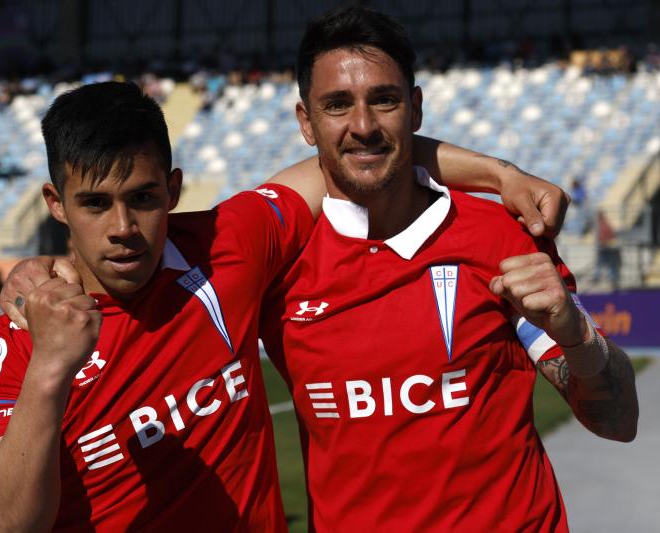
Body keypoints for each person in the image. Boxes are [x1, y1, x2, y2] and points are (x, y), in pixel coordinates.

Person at [0, 83, 570, 532]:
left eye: (142, 198)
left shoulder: (227, 246)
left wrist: (500, 175)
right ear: (55, 204)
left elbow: (349, 158)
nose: (122, 228)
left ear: (174, 190)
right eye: (94, 203)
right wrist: (50, 368)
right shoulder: (14, 340)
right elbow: (8, 526)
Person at [258, 6, 637, 531]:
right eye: (337, 104)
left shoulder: (500, 237)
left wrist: (577, 335)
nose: (363, 125)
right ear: (307, 122)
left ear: (415, 109)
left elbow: (618, 420)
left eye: (384, 100)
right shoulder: (275, 264)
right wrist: (498, 171)